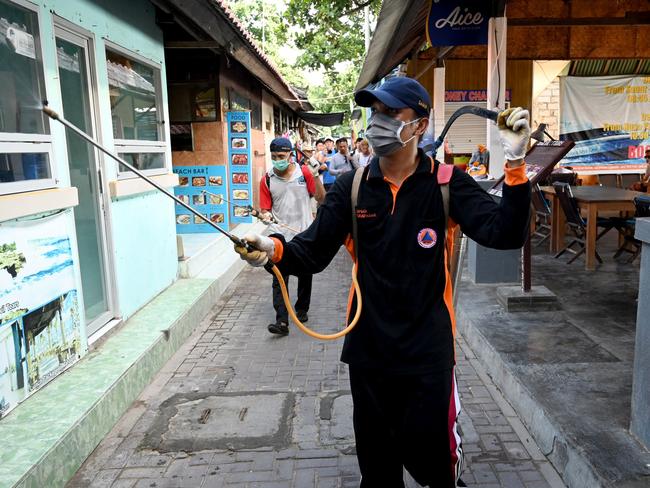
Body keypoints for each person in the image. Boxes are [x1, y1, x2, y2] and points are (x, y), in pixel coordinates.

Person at [235, 77, 531, 487]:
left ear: (420, 125)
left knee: (436, 469)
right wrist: (269, 248)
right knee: (377, 470)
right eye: (376, 112)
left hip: (428, 353)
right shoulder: (352, 188)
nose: (379, 122)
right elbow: (312, 252)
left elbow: (505, 233)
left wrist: (515, 166)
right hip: (369, 351)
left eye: (392, 113)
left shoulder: (446, 183)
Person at [259, 137, 326, 335]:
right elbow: (264, 208)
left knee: (305, 274)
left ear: (290, 155)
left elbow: (321, 198)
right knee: (279, 277)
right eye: (273, 156)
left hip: (304, 234)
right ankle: (282, 321)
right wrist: (265, 215)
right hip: (279, 237)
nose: (277, 159)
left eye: (281, 155)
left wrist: (315, 177)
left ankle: (302, 309)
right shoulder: (267, 178)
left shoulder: (304, 172)